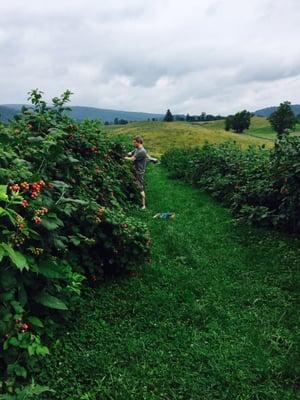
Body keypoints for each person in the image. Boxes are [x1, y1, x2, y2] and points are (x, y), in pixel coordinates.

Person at [124, 136, 148, 209]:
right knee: (134, 184)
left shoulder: (142, 151)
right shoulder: (137, 149)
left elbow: (132, 159)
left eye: (134, 142)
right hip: (135, 170)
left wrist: (124, 157)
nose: (133, 144)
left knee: (140, 187)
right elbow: (131, 153)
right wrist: (127, 153)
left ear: (138, 142)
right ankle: (133, 198)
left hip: (139, 172)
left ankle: (143, 205)